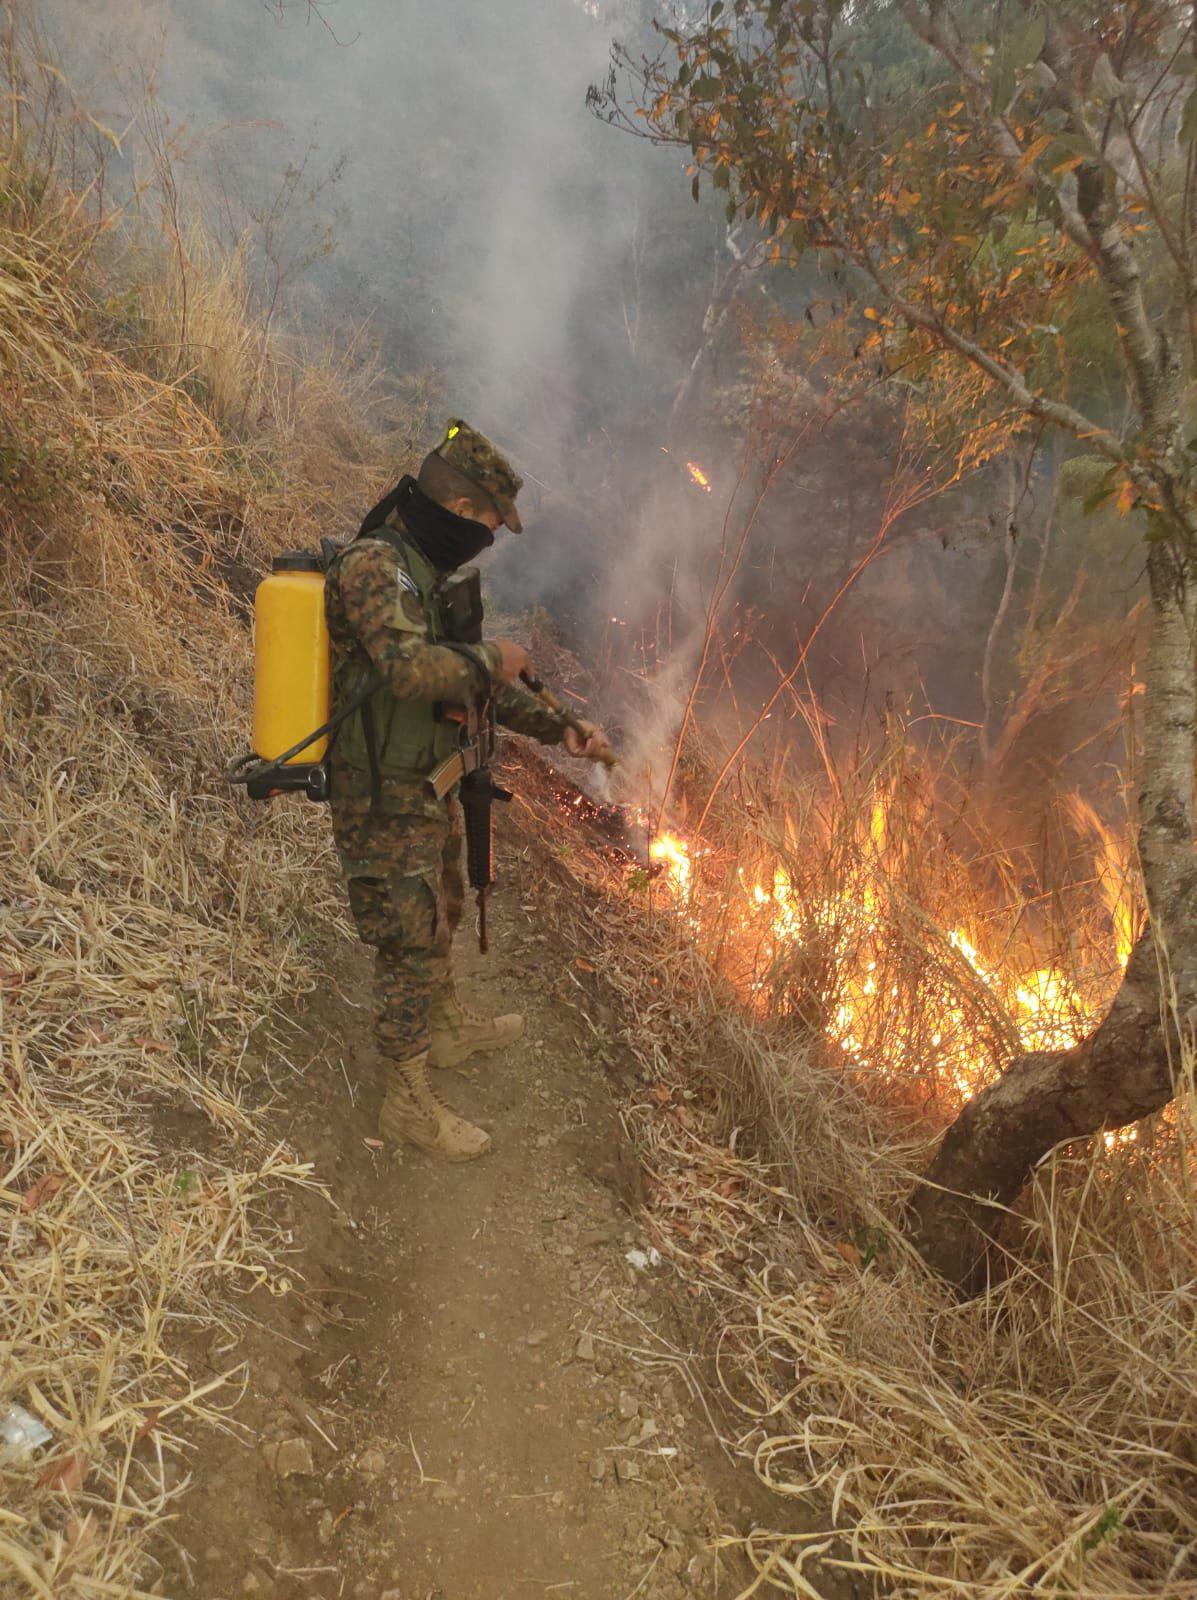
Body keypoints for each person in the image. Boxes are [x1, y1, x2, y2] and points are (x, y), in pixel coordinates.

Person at [325, 419, 612, 1161]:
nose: (489, 538)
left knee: (441, 910)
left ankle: (445, 1026)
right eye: (488, 523)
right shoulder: (373, 568)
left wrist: (563, 728)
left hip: (424, 781)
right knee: (405, 940)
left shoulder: (422, 571)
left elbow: (475, 685)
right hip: (381, 796)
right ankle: (406, 1101)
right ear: (458, 507)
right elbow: (414, 672)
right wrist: (496, 654)